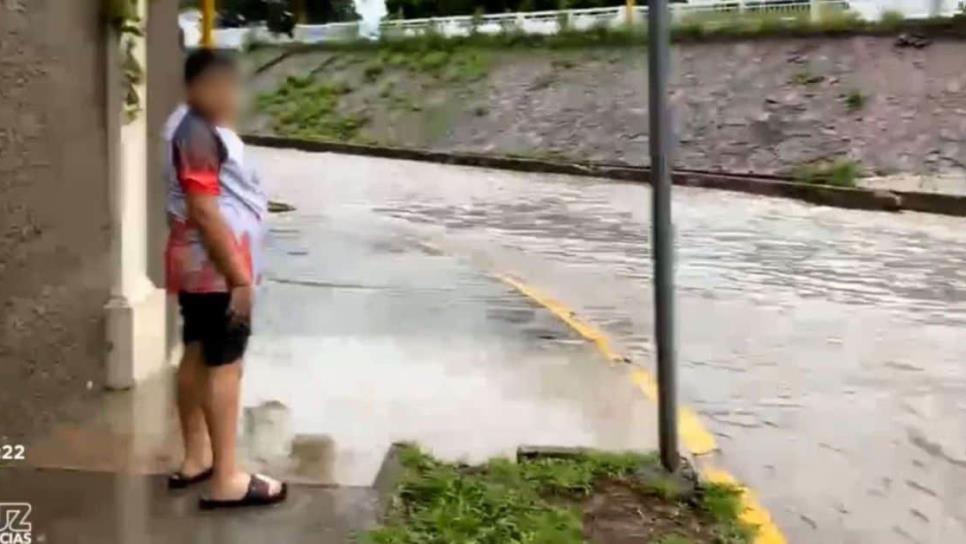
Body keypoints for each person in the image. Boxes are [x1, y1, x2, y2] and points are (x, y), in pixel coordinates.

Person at [163, 49, 286, 509]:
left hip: (201, 263)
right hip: (217, 266)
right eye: (228, 87)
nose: (234, 97)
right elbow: (204, 209)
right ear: (204, 88)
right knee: (226, 362)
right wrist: (239, 278)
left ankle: (197, 458)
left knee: (197, 348)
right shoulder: (195, 132)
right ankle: (227, 478)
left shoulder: (191, 126)